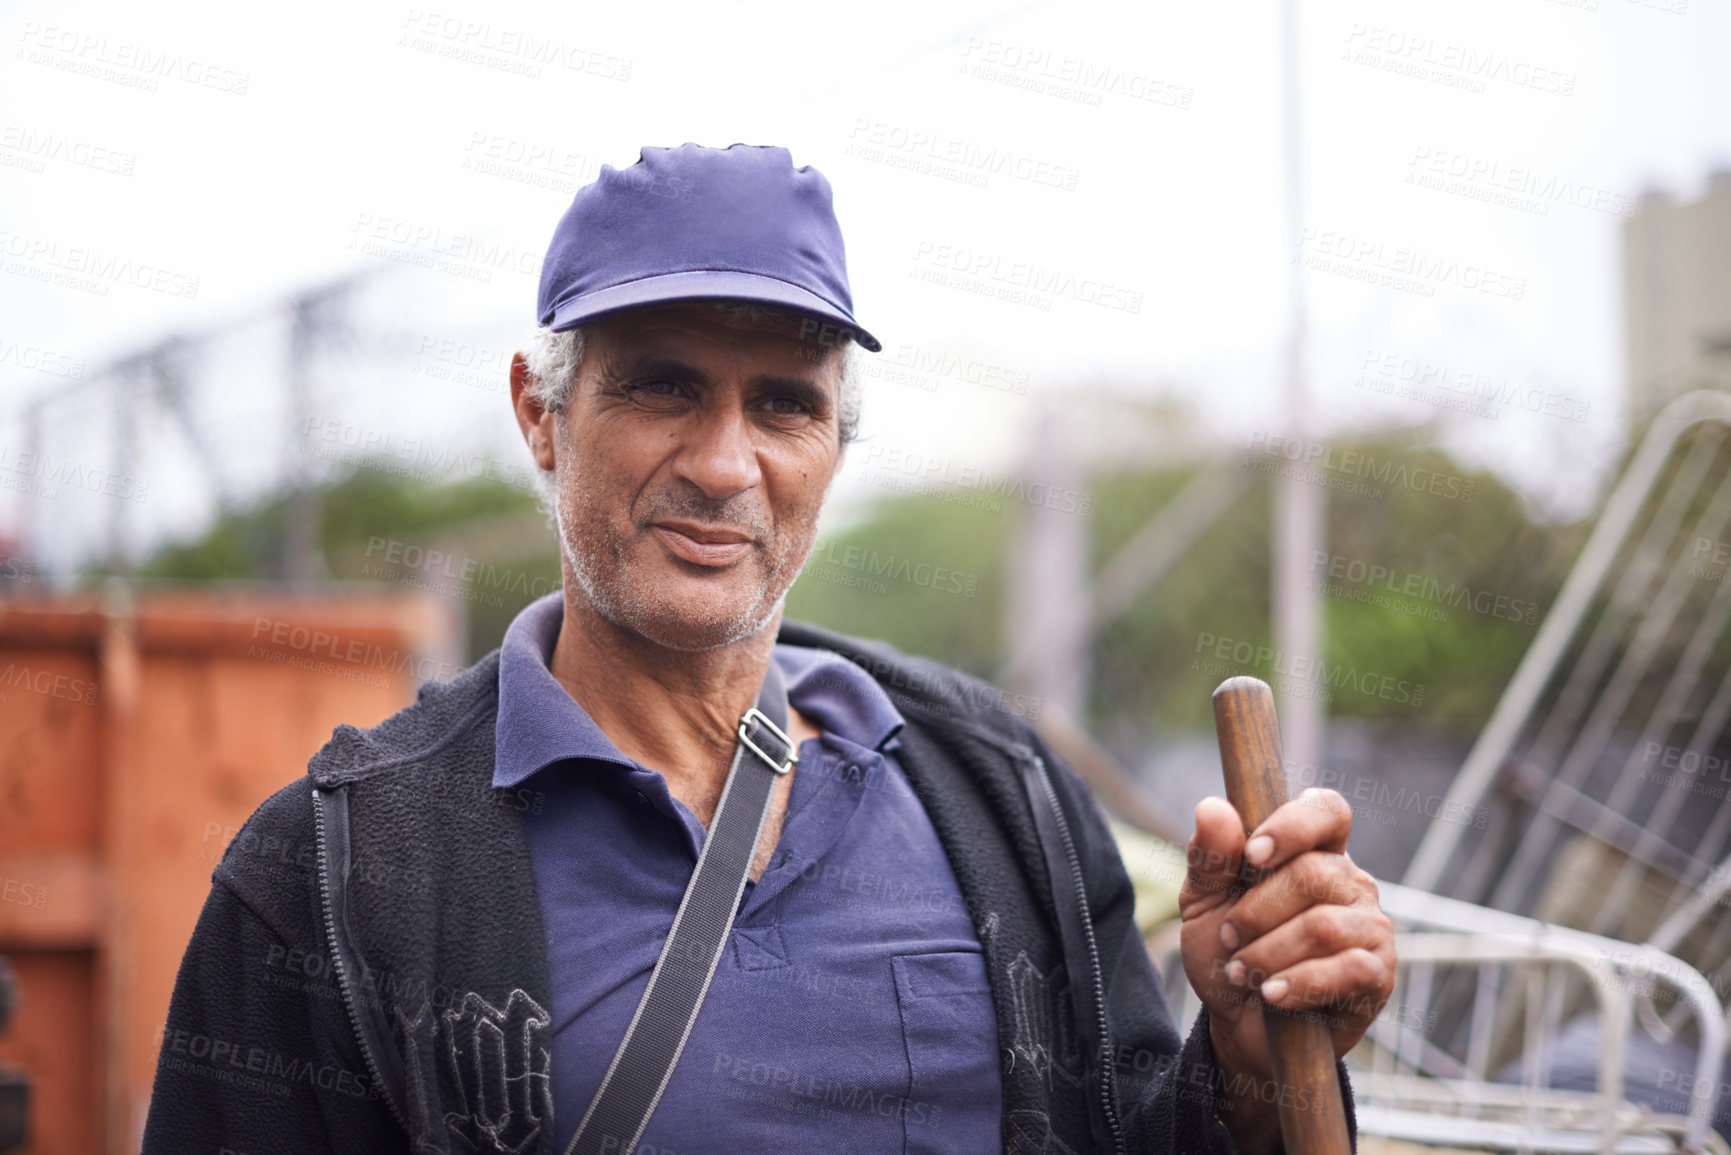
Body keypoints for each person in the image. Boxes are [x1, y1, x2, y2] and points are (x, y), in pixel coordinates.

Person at [143, 142, 1395, 1155]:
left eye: (785, 403)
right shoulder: (334, 869)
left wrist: (1243, 1062)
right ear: (541, 414)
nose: (725, 464)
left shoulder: (999, 795)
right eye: (663, 387)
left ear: (834, 448)